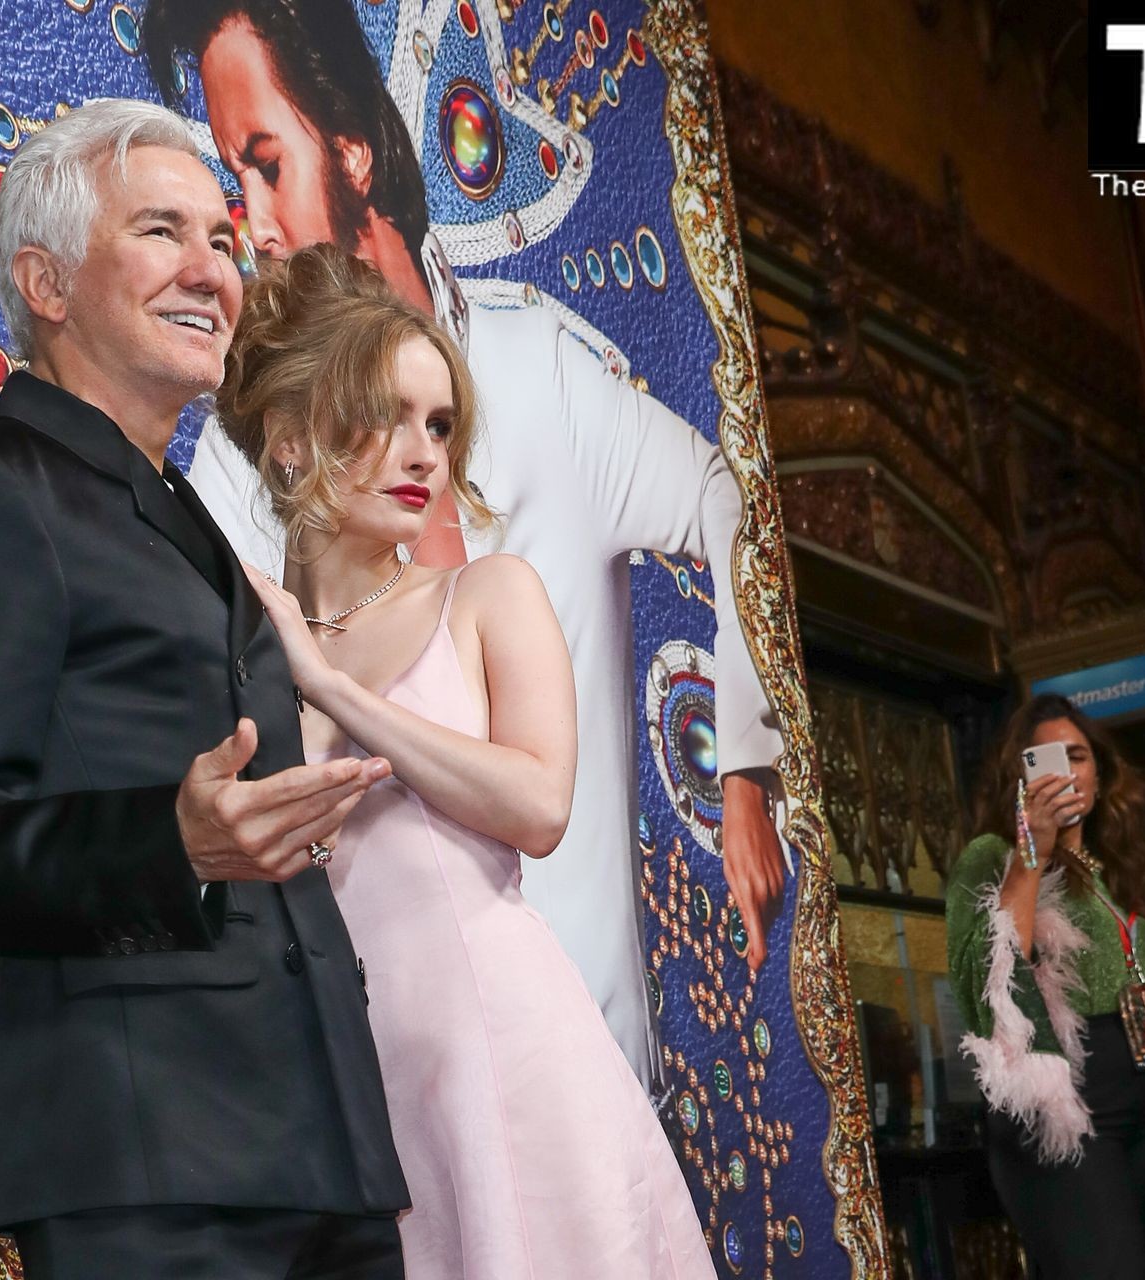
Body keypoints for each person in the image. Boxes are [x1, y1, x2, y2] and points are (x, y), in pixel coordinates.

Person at [140, 0, 790, 1084]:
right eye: (233, 180)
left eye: (266, 166)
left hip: (595, 1054)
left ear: (352, 147)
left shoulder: (540, 376)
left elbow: (729, 500)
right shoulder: (246, 464)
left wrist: (747, 764)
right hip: (394, 1069)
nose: (253, 224)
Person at [0, 100, 409, 1279]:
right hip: (148, 1167)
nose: (212, 270)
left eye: (223, 239)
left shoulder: (188, 513)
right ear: (46, 283)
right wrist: (172, 843)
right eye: (163, 231)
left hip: (329, 1159)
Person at [224, 242, 715, 1276]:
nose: (423, 455)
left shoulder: (488, 593)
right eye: (388, 416)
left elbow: (539, 804)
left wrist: (334, 691)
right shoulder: (240, 652)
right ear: (289, 441)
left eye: (441, 425)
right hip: (345, 1100)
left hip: (507, 1062)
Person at [944, 694, 1145, 1280]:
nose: (1064, 771)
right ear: (1020, 778)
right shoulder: (993, 856)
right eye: (1045, 758)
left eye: (1077, 756)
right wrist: (1032, 851)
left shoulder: (1118, 866)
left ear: (1100, 778)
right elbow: (987, 971)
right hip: (1068, 1094)